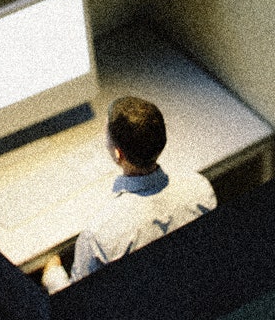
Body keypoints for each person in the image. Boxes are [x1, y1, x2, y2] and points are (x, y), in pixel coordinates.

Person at [40, 95, 215, 292]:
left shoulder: (97, 236)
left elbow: (78, 304)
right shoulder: (200, 188)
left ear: (118, 154)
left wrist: (52, 276)